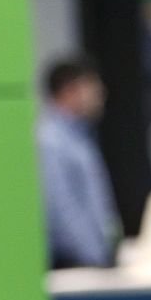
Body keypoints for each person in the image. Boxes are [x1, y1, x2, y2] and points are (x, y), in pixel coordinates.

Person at [36, 58, 118, 269]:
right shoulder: (50, 141)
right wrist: (93, 258)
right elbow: (62, 210)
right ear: (70, 90)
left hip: (95, 260)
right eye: (93, 86)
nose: (100, 93)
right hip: (75, 265)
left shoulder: (79, 138)